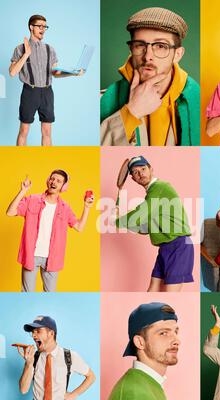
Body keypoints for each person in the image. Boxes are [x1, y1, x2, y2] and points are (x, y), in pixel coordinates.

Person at [101, 7, 200, 146]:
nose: (148, 56)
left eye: (160, 46)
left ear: (178, 54)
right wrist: (131, 113)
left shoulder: (198, 100)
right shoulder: (101, 101)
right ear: (131, 49)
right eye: (140, 45)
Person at [6, 169, 94, 292]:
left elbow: (79, 227)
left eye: (58, 181)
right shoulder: (32, 199)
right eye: (52, 179)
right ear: (48, 180)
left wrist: (87, 207)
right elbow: (10, 212)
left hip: (53, 258)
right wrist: (23, 191)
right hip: (31, 255)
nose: (54, 182)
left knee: (50, 293)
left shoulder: (65, 208)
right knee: (27, 294)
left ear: (63, 187)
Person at [116, 155, 194, 292]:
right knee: (152, 289)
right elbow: (144, 227)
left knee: (170, 294)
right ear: (133, 179)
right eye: (135, 172)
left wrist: (117, 221)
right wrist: (120, 219)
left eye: (143, 168)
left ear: (151, 169)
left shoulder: (160, 187)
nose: (140, 173)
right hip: (165, 248)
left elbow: (141, 213)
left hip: (178, 245)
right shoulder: (152, 196)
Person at [101, 302, 179, 400]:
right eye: (163, 333)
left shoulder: (148, 385)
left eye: (176, 332)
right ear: (140, 342)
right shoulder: (136, 398)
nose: (176, 340)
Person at [9, 14, 84, 146]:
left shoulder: (50, 49)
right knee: (24, 130)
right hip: (29, 92)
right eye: (40, 26)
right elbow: (12, 72)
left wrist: (73, 73)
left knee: (47, 131)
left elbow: (55, 73)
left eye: (45, 26)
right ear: (31, 27)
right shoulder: (20, 49)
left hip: (47, 92)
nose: (43, 29)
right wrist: (26, 54)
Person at [18, 315, 96, 400]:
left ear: (51, 333)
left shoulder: (69, 356)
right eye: (32, 332)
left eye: (38, 331)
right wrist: (28, 363)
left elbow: (91, 376)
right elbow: (23, 389)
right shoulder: (34, 357)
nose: (33, 336)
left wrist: (74, 393)